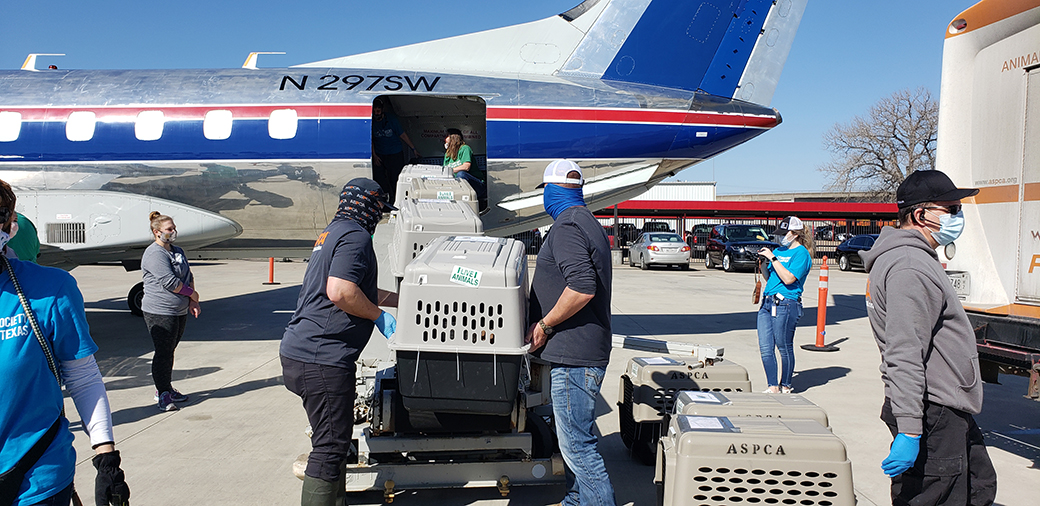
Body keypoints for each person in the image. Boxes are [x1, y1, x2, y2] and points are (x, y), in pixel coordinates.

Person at [860, 170, 996, 506]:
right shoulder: (909, 266)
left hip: (944, 405)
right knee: (935, 495)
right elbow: (904, 352)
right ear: (922, 215)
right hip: (930, 409)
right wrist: (909, 429)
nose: (958, 217)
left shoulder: (913, 258)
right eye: (951, 209)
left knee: (979, 486)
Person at [0, 180, 130, 506]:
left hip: (34, 476)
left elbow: (82, 376)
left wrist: (106, 458)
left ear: (8, 223)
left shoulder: (50, 289)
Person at [280, 178, 399, 506]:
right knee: (330, 447)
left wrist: (403, 300)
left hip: (302, 351)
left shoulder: (332, 232)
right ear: (369, 206)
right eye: (380, 211)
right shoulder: (357, 236)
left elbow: (354, 287)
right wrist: (377, 316)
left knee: (334, 439)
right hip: (322, 357)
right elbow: (341, 291)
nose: (380, 219)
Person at [526, 160, 616, 506]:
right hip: (582, 350)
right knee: (574, 439)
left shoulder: (566, 226)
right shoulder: (586, 221)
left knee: (577, 445)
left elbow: (581, 287)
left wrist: (545, 325)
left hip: (575, 356)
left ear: (552, 191)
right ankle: (577, 500)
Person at [141, 211, 200, 412]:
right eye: (169, 229)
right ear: (157, 232)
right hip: (160, 310)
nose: (173, 231)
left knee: (170, 350)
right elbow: (170, 282)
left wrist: (193, 301)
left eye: (174, 228)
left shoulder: (177, 251)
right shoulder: (154, 254)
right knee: (163, 352)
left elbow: (187, 274)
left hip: (179, 310)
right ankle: (162, 392)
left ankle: (167, 386)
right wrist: (192, 294)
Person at [756, 216, 813, 394]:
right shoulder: (779, 251)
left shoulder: (801, 254)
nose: (781, 237)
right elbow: (771, 278)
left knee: (783, 345)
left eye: (785, 233)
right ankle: (772, 385)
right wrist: (763, 264)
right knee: (766, 347)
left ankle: (786, 384)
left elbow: (789, 279)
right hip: (767, 302)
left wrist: (773, 259)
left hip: (786, 303)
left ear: (795, 234)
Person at [371, 98, 418, 203]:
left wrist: (413, 148)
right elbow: (371, 140)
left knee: (395, 179)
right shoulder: (371, 121)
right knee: (380, 179)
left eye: (378, 111)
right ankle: (384, 201)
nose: (376, 114)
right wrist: (374, 156)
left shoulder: (391, 119)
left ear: (382, 110)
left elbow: (403, 135)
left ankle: (397, 200)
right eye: (374, 111)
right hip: (380, 154)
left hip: (394, 152)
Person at [442, 128, 487, 209]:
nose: (445, 139)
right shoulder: (448, 154)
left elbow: (466, 166)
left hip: (477, 185)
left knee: (461, 174)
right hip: (457, 185)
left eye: (447, 136)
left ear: (453, 138)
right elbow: (445, 171)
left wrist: (450, 170)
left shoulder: (465, 148)